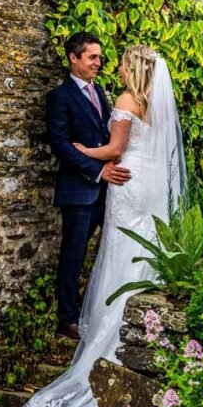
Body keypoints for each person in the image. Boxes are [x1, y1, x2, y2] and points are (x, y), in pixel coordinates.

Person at [14, 45, 187, 407]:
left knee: (119, 249)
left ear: (134, 69)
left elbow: (113, 148)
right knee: (137, 246)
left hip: (122, 180)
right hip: (141, 181)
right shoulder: (147, 103)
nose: (109, 65)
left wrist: (83, 151)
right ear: (73, 58)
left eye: (120, 63)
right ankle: (98, 315)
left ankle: (111, 325)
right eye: (92, 57)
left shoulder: (125, 98)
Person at [46, 32, 131, 341]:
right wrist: (98, 171)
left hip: (107, 192)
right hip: (79, 190)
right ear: (73, 57)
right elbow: (61, 145)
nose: (99, 62)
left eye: (99, 56)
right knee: (74, 253)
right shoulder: (60, 96)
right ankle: (67, 318)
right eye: (92, 57)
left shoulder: (102, 93)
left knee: (103, 253)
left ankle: (92, 310)